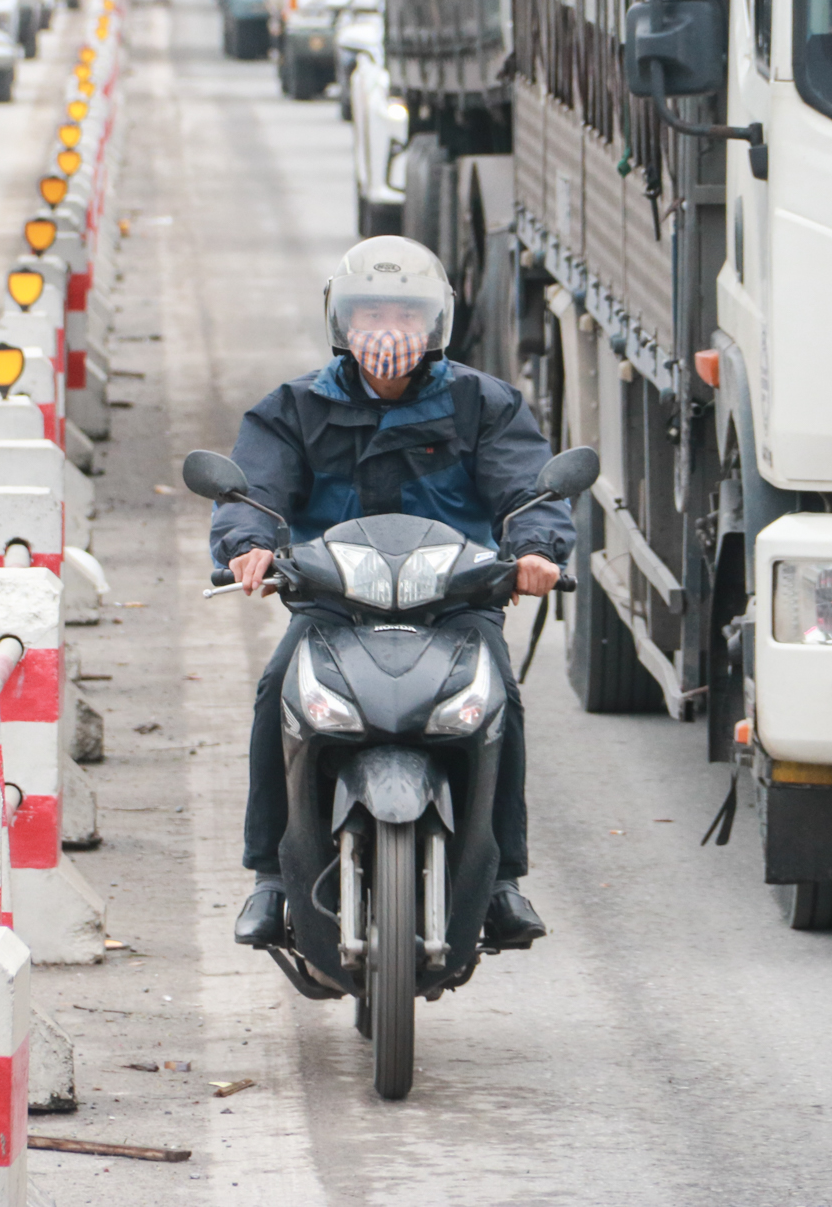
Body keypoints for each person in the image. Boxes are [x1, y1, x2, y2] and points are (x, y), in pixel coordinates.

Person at [211, 236, 575, 950]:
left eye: (404, 313)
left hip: (457, 602)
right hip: (331, 603)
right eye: (369, 311)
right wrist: (248, 545)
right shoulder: (292, 408)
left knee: (501, 698)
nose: (387, 328)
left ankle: (502, 881)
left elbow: (527, 490)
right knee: (274, 691)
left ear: (435, 321)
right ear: (340, 322)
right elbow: (253, 490)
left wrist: (536, 552)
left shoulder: (485, 405)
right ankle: (270, 878)